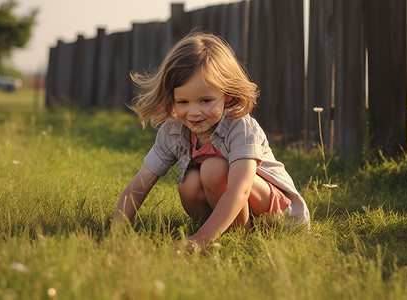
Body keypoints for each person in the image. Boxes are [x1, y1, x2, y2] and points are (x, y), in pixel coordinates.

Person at [114, 31, 310, 252]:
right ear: (172, 98)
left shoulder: (240, 127)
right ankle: (226, 233)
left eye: (205, 100)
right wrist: (116, 234)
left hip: (277, 216)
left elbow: (240, 190)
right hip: (234, 208)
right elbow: (139, 186)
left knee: (212, 169)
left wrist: (199, 239)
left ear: (226, 95)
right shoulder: (174, 130)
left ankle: (231, 237)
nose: (194, 112)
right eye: (183, 101)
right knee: (188, 184)